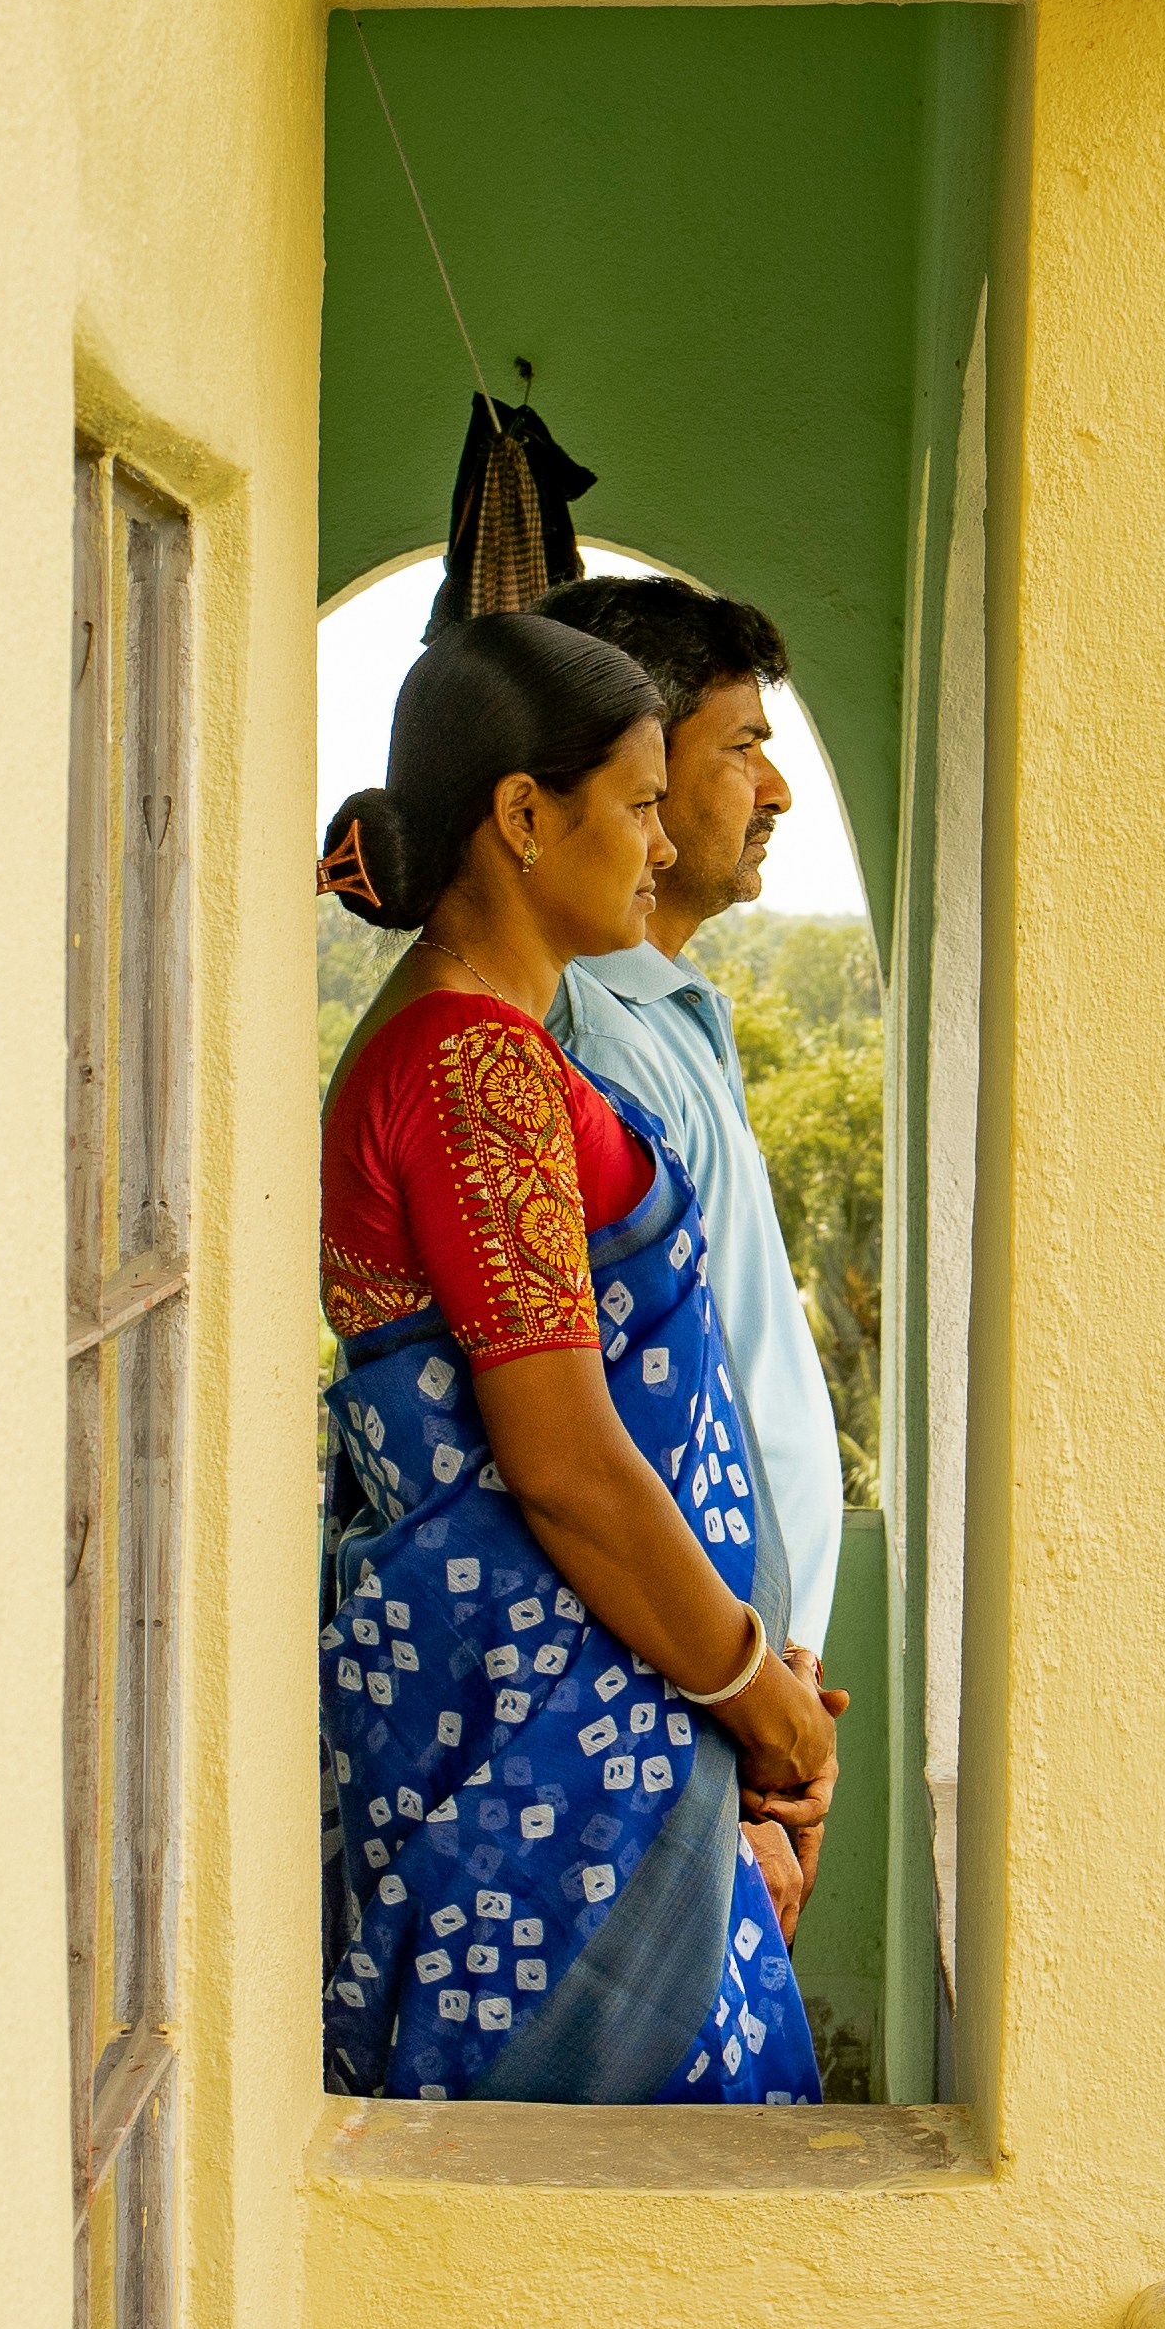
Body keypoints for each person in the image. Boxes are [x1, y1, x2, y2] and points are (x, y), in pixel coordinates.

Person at [316, 613, 841, 2102]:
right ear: (526, 816)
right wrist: (750, 1686)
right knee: (601, 2189)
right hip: (550, 1734)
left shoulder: (499, 1044)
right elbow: (559, 1464)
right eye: (636, 804)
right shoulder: (471, 1068)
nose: (662, 846)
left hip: (611, 1702)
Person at [528, 572, 850, 1928]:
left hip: (741, 1692)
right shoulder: (591, 1042)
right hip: (688, 1709)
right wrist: (747, 1743)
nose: (774, 791)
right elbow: (623, 1433)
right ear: (643, 772)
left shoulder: (659, 1016)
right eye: (742, 748)